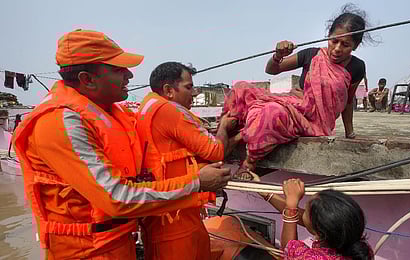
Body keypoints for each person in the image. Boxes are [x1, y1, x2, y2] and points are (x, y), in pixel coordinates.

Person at [13, 29, 230, 259]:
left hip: (121, 242)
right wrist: (197, 182)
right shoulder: (59, 122)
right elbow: (116, 197)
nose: (129, 75)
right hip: (86, 252)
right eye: (118, 69)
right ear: (87, 79)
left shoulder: (113, 112)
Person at [223, 4, 369, 176]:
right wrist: (278, 55)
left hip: (312, 121)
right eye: (334, 41)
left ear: (355, 46)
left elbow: (348, 101)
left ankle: (248, 163)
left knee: (271, 113)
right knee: (241, 89)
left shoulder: (357, 67)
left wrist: (350, 133)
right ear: (328, 36)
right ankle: (225, 135)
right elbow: (272, 70)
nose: (337, 48)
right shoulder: (312, 54)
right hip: (291, 102)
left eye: (345, 44)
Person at [136, 61, 242, 260]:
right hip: (175, 221)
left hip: (171, 213)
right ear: (168, 90)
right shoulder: (168, 111)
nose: (193, 93)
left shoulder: (148, 107)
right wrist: (224, 128)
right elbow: (215, 151)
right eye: (188, 87)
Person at [251, 174, 372, 260]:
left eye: (305, 211)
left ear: (320, 233)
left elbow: (289, 248)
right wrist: (265, 193)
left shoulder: (309, 257)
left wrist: (292, 203)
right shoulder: (360, 248)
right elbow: (303, 218)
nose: (301, 211)